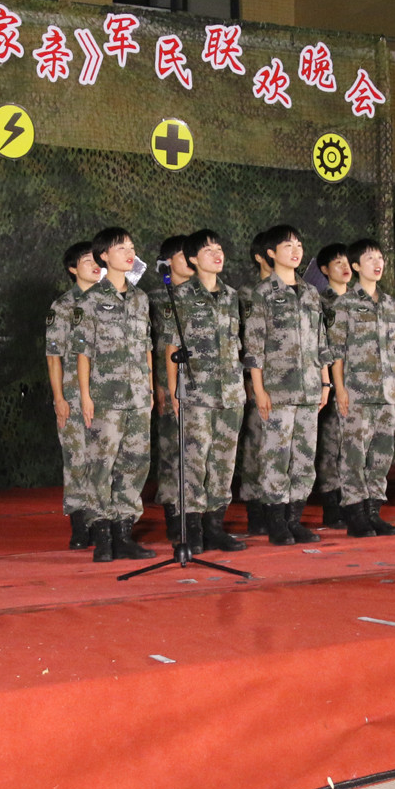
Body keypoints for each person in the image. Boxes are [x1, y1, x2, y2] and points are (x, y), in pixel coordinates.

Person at [157, 229, 247, 553]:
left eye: (219, 248)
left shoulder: (232, 296)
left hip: (231, 393)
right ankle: (191, 530)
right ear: (193, 259)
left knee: (223, 463)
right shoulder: (179, 296)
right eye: (208, 250)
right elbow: (171, 346)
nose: (217, 254)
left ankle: (215, 526)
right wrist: (174, 391)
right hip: (196, 394)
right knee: (194, 461)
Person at [244, 225, 333, 545]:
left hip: (310, 387)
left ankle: (294, 518)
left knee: (304, 456)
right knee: (275, 456)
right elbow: (253, 346)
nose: (296, 250)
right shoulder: (263, 293)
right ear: (271, 253)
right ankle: (276, 522)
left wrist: (325, 383)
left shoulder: (310, 293)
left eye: (299, 244)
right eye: (287, 246)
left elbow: (322, 341)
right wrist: (259, 389)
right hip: (277, 389)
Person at [76, 227, 157, 561]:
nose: (128, 252)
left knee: (135, 462)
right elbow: (83, 351)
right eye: (120, 247)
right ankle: (103, 537)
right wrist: (84, 395)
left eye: (131, 247)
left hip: (138, 396)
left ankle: (124, 533)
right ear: (103, 256)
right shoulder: (91, 299)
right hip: (105, 396)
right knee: (101, 464)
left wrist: (151, 388)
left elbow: (147, 346)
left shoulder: (141, 299)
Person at [328, 239, 395, 536]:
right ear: (356, 266)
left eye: (380, 257)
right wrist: (340, 389)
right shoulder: (344, 304)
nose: (378, 263)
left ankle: (374, 511)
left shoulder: (388, 303)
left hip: (387, 391)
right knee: (354, 453)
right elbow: (336, 351)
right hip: (357, 390)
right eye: (370, 258)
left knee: (382, 452)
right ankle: (355, 514)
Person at [46, 240, 101, 548]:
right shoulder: (63, 306)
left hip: (108, 394)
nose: (94, 264)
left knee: (105, 459)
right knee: (77, 459)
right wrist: (59, 398)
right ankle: (80, 526)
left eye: (97, 258)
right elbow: (53, 356)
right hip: (73, 395)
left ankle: (105, 522)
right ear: (72, 269)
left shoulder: (112, 300)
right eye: (85, 260)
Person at [151, 234, 195, 543]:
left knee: (197, 454)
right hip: (167, 386)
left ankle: (197, 518)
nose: (191, 261)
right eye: (184, 255)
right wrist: (160, 385)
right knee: (171, 453)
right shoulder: (155, 299)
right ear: (168, 262)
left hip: (201, 387)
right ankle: (173, 515)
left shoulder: (205, 295)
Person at [234, 229, 275, 536]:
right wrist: (249, 382)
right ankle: (255, 509)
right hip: (257, 381)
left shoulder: (296, 292)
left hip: (289, 381)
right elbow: (242, 342)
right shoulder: (247, 294)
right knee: (256, 446)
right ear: (262, 257)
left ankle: (280, 510)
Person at [314, 242, 352, 527]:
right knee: (332, 445)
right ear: (325, 270)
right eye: (337, 263)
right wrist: (331, 385)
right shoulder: (320, 303)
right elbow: (322, 347)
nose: (345, 266)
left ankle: (354, 502)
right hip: (334, 383)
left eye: (347, 261)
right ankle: (331, 505)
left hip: (363, 383)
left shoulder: (362, 300)